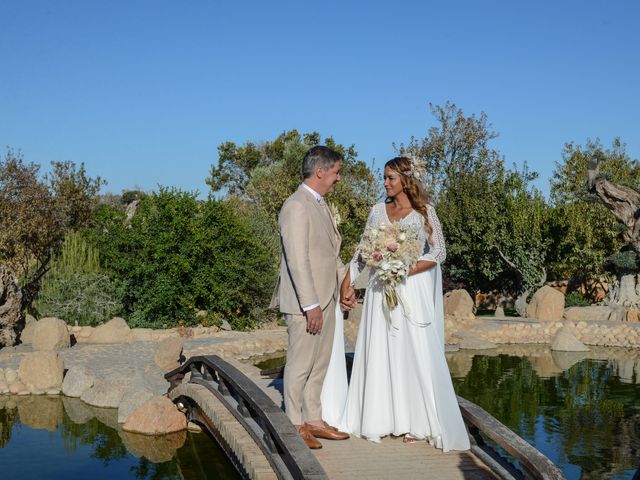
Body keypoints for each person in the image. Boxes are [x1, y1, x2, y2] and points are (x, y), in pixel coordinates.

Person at [324, 156, 470, 451]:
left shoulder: (425, 211)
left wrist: (405, 268)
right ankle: (378, 418)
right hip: (380, 291)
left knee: (410, 349)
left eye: (390, 177)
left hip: (410, 291)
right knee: (382, 348)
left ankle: (416, 421)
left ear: (406, 179)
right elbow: (363, 251)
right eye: (385, 178)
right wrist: (347, 281)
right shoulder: (378, 211)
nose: (386, 183)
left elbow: (438, 251)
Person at [270, 145, 355, 449]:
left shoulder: (318, 205)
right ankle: (294, 424)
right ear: (320, 172)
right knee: (300, 365)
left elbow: (331, 256)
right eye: (336, 172)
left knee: (319, 365)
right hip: (306, 304)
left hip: (327, 300)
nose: (339, 178)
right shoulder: (296, 206)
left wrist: (345, 287)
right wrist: (311, 305)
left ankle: (314, 421)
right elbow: (297, 259)